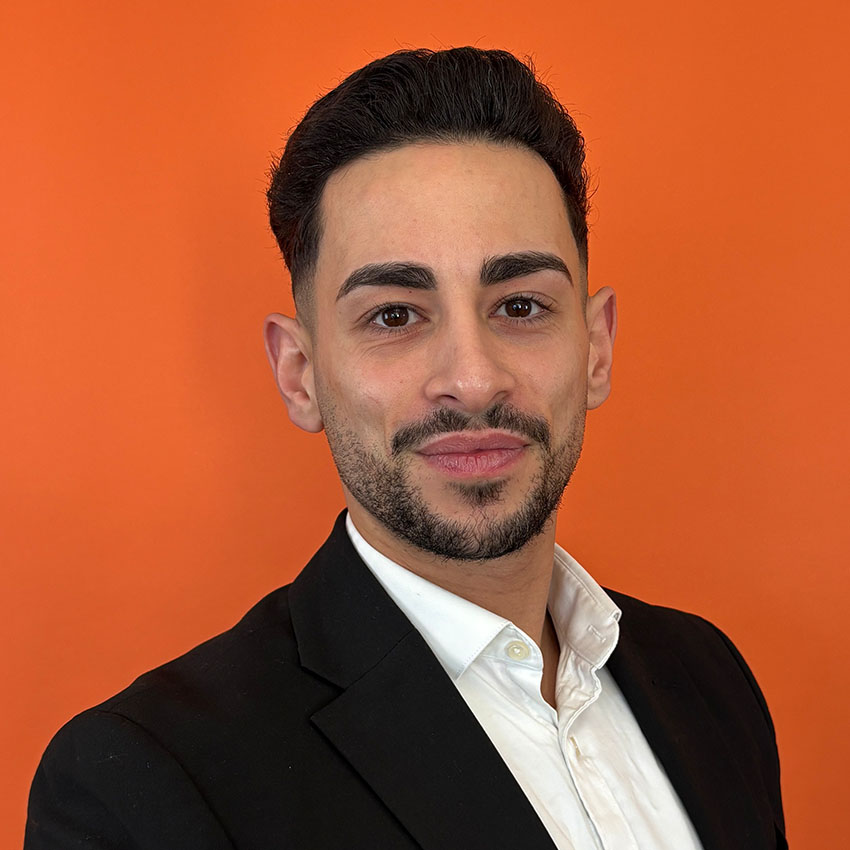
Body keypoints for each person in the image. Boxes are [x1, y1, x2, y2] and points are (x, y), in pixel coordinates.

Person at [25, 47, 786, 850]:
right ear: (300, 374)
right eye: (394, 316)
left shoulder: (708, 680)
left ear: (595, 349)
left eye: (521, 306)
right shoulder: (145, 786)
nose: (472, 378)